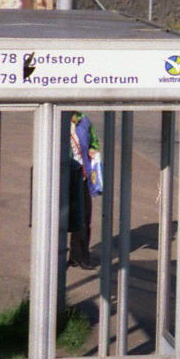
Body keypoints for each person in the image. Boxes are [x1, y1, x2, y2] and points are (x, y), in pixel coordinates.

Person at [67, 112, 100, 270]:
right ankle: (58, 256)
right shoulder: (56, 118)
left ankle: (80, 256)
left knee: (84, 215)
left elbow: (94, 141)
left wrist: (93, 150)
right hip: (63, 176)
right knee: (60, 217)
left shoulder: (84, 121)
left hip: (83, 175)